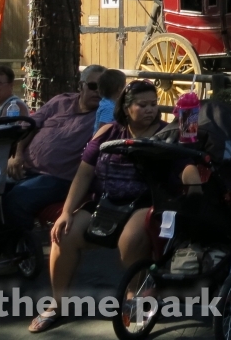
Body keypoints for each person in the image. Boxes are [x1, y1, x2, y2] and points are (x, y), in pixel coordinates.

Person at [32, 80, 201, 333]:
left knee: (130, 240)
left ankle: (137, 294)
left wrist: (195, 185)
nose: (150, 110)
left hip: (147, 201)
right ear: (126, 107)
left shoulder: (167, 133)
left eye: (153, 105)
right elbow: (84, 174)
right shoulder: (108, 132)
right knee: (63, 234)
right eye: (142, 105)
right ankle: (58, 304)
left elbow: (186, 165)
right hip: (107, 200)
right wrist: (67, 211)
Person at [0, 70, 104, 276]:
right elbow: (30, 126)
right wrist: (17, 155)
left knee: (17, 198)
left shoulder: (104, 115)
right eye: (93, 86)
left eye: (103, 88)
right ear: (81, 85)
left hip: (59, 178)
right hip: (25, 167)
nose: (98, 92)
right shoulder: (60, 101)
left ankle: (18, 253)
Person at [91, 68, 125, 135]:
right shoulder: (109, 107)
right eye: (124, 85)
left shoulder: (107, 102)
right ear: (120, 88)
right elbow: (103, 128)